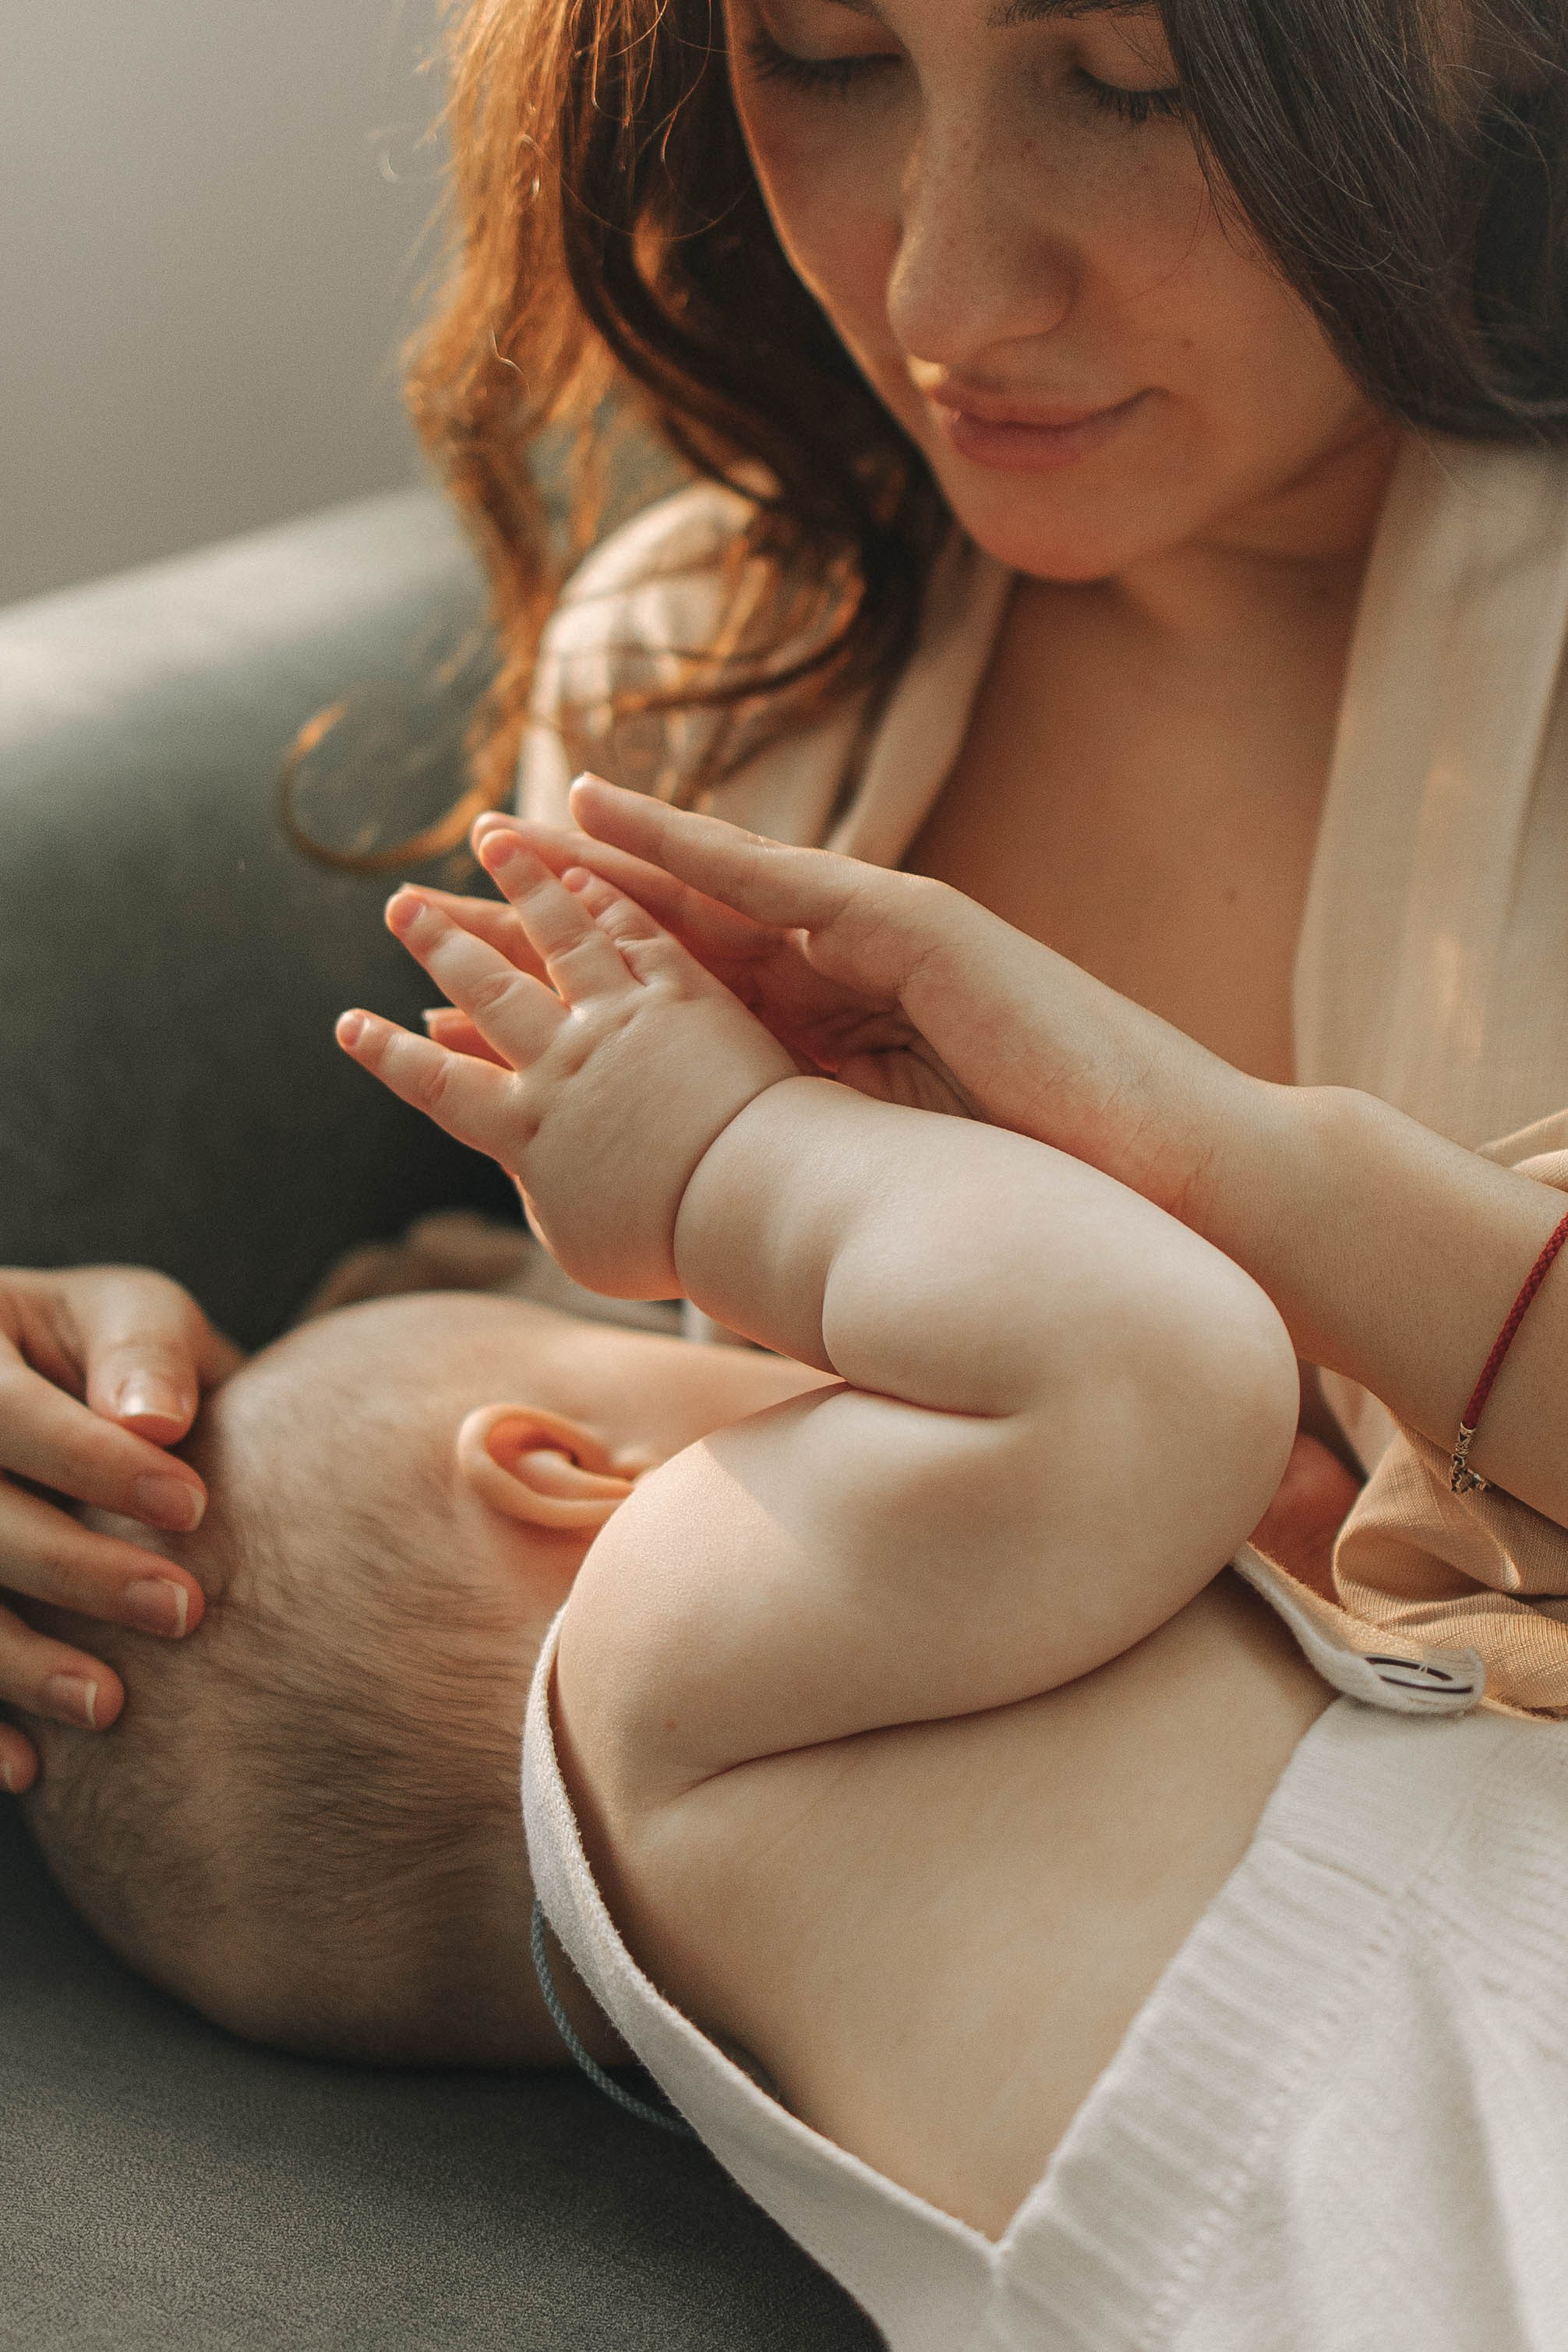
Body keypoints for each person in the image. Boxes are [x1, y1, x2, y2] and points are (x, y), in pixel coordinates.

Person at [5, 0, 1568, 1794]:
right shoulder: (714, 673)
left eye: (1144, 82)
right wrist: (183, 1450)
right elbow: (625, 1395)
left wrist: (1210, 1154)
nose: (940, 299)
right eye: (825, 52)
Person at [27, 819, 1563, 2352]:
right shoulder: (647, 1638)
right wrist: (725, 1166)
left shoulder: (724, 1964)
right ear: (560, 1472)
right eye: (702, 1354)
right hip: (1425, 2100)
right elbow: (1159, 1366)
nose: (783, 1354)